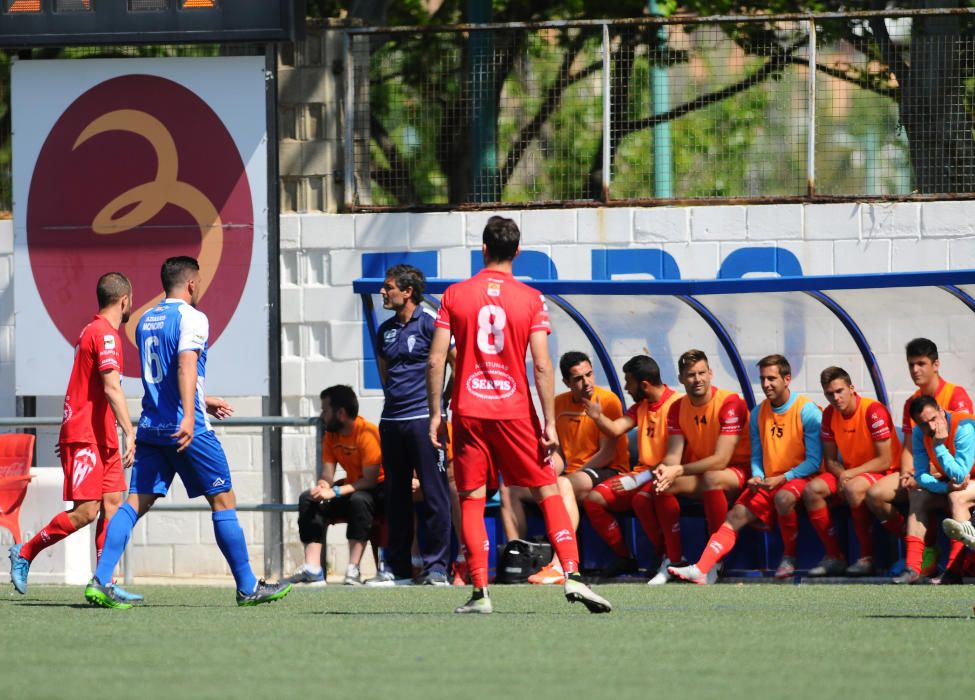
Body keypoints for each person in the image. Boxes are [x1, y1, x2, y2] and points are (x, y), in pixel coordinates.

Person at [426, 215, 611, 614]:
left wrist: (435, 415)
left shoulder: (455, 295)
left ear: (483, 250)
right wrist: (548, 421)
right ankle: (573, 575)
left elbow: (436, 358)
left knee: (472, 498)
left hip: (470, 412)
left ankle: (479, 592)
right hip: (515, 412)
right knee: (547, 488)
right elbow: (543, 366)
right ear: (518, 252)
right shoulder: (530, 299)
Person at [83, 256, 291, 608]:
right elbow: (184, 365)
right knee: (223, 500)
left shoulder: (146, 319)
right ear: (192, 284)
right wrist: (192, 416)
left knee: (132, 505)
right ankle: (247, 586)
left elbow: (163, 376)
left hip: (152, 427)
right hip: (186, 428)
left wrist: (202, 399)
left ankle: (100, 581)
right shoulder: (193, 318)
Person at [8, 273, 140, 601]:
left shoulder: (93, 331)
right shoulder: (104, 336)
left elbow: (87, 386)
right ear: (125, 300)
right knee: (86, 511)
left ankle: (102, 582)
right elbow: (111, 387)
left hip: (97, 434)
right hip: (89, 436)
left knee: (113, 505)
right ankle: (25, 551)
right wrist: (130, 431)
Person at [669, 355, 822, 584]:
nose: (766, 384)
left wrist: (784, 477)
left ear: (787, 379)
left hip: (800, 477)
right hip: (771, 480)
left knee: (783, 497)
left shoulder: (808, 410)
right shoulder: (758, 413)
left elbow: (814, 461)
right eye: (763, 379)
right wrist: (758, 475)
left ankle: (790, 558)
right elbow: (757, 455)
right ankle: (702, 568)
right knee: (735, 516)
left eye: (772, 378)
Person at [866, 338, 972, 573]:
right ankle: (924, 551)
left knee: (940, 493)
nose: (915, 370)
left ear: (936, 365)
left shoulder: (957, 396)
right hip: (933, 469)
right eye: (911, 364)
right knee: (875, 494)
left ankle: (954, 564)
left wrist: (925, 473)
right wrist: (907, 474)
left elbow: (962, 452)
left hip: (955, 470)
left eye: (921, 363)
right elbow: (910, 447)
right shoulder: (911, 403)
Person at [375, 264, 452, 586]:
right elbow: (384, 370)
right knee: (396, 496)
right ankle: (397, 569)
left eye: (389, 287)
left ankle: (437, 568)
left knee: (434, 494)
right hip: (392, 421)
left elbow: (456, 362)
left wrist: (441, 404)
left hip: (424, 421)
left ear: (408, 291)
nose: (383, 292)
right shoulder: (386, 329)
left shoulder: (432, 323)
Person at [649, 349, 752, 582]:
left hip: (737, 472)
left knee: (712, 477)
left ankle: (714, 561)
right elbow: (674, 455)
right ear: (681, 379)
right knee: (661, 485)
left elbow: (721, 459)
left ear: (711, 373)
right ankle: (674, 559)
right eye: (691, 375)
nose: (697, 379)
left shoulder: (730, 401)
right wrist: (666, 469)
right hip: (702, 473)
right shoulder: (677, 408)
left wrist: (680, 469)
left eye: (702, 373)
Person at [584, 354, 681, 584]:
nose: (626, 387)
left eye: (629, 382)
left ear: (644, 384)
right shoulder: (640, 406)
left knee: (642, 498)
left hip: (665, 474)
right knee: (593, 499)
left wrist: (638, 481)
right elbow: (616, 428)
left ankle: (666, 556)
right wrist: (598, 417)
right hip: (640, 475)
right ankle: (625, 557)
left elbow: (673, 457)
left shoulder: (676, 405)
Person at [802, 367, 900, 577]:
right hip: (852, 472)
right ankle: (834, 556)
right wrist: (842, 474)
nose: (835, 398)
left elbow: (885, 460)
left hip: (886, 473)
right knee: (812, 490)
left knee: (854, 488)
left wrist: (849, 474)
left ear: (852, 389)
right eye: (829, 393)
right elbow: (829, 460)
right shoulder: (829, 413)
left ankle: (866, 558)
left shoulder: (873, 410)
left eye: (839, 391)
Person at [290, 386, 383, 586]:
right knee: (308, 498)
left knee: (360, 500)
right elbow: (327, 475)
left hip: (377, 492)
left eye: (325, 410)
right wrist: (322, 487)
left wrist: (334, 491)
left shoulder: (367, 433)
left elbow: (369, 480)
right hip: (350, 488)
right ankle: (313, 568)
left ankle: (353, 570)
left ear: (340, 413)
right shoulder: (331, 436)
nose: (322, 415)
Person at [893, 395, 975, 584]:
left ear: (940, 410)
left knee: (957, 497)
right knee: (917, 495)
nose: (930, 427)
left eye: (933, 419)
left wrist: (939, 446)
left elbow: (960, 475)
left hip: (965, 484)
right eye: (923, 424)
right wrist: (944, 487)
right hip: (955, 484)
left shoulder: (964, 426)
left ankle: (953, 571)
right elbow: (921, 475)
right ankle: (912, 569)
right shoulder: (918, 433)